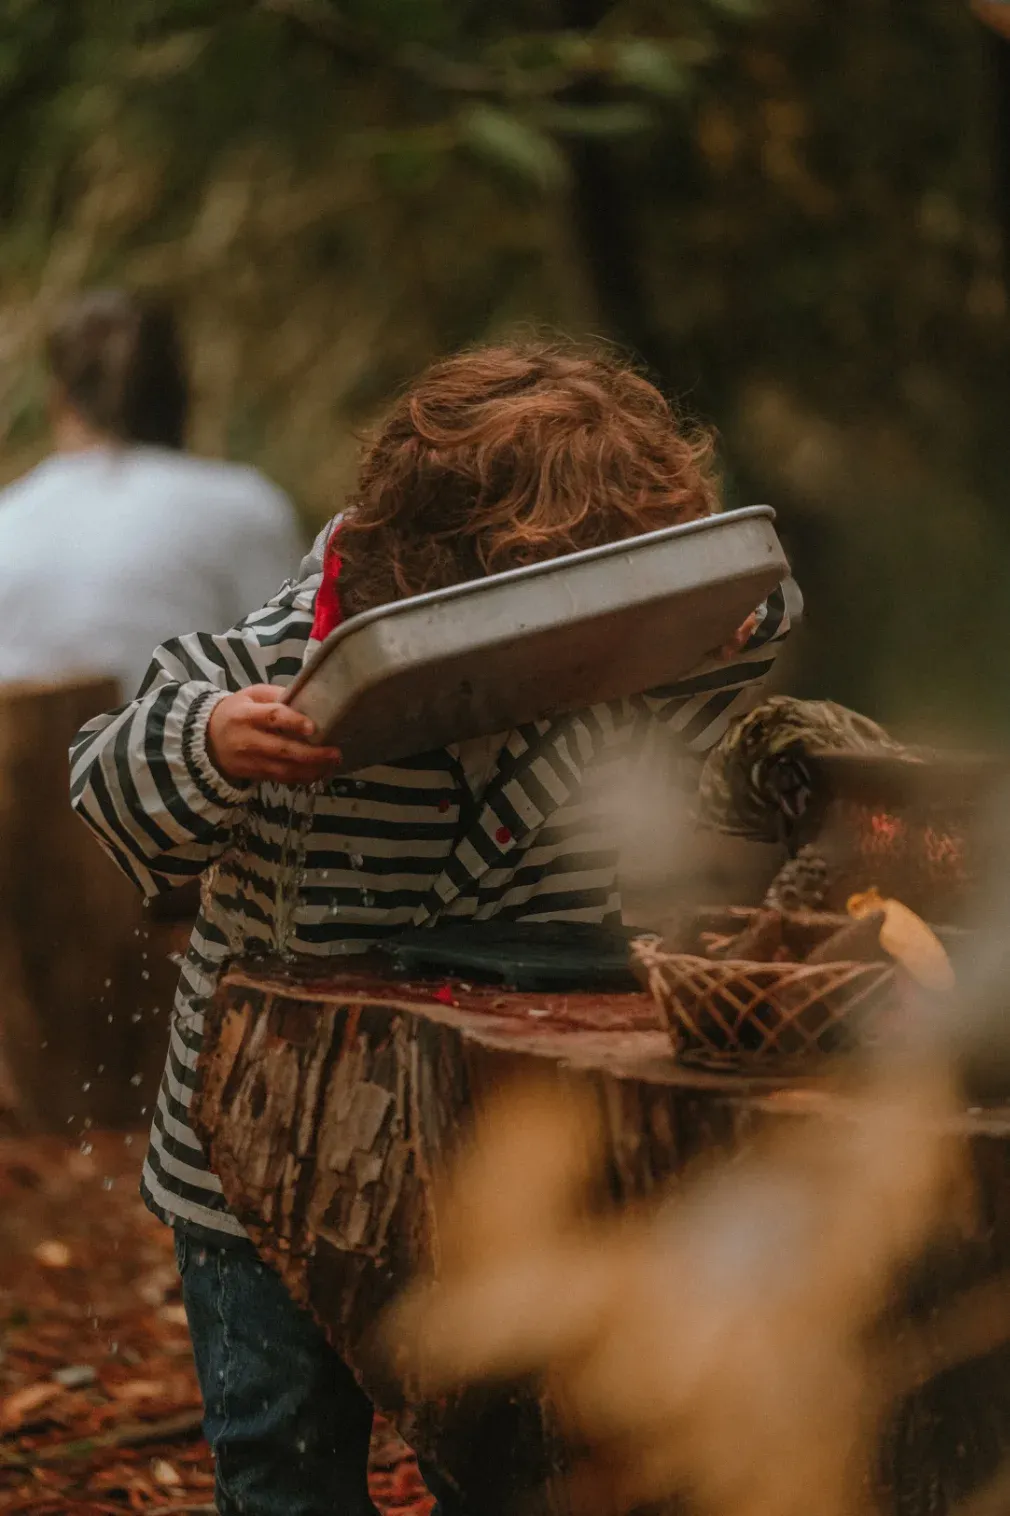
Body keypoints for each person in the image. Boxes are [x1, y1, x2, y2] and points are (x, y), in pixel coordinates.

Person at [70, 341, 796, 1516]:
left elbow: (752, 611)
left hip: (495, 1132)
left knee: (513, 1438)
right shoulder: (295, 657)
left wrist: (704, 609)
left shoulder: (614, 678)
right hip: (261, 1141)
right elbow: (105, 765)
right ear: (446, 587)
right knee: (278, 1442)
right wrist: (210, 740)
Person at [0, 288, 303, 697]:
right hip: (182, 754)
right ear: (184, 396)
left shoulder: (9, 517)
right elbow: (294, 683)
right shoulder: (243, 507)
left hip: (30, 756)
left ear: (59, 402)